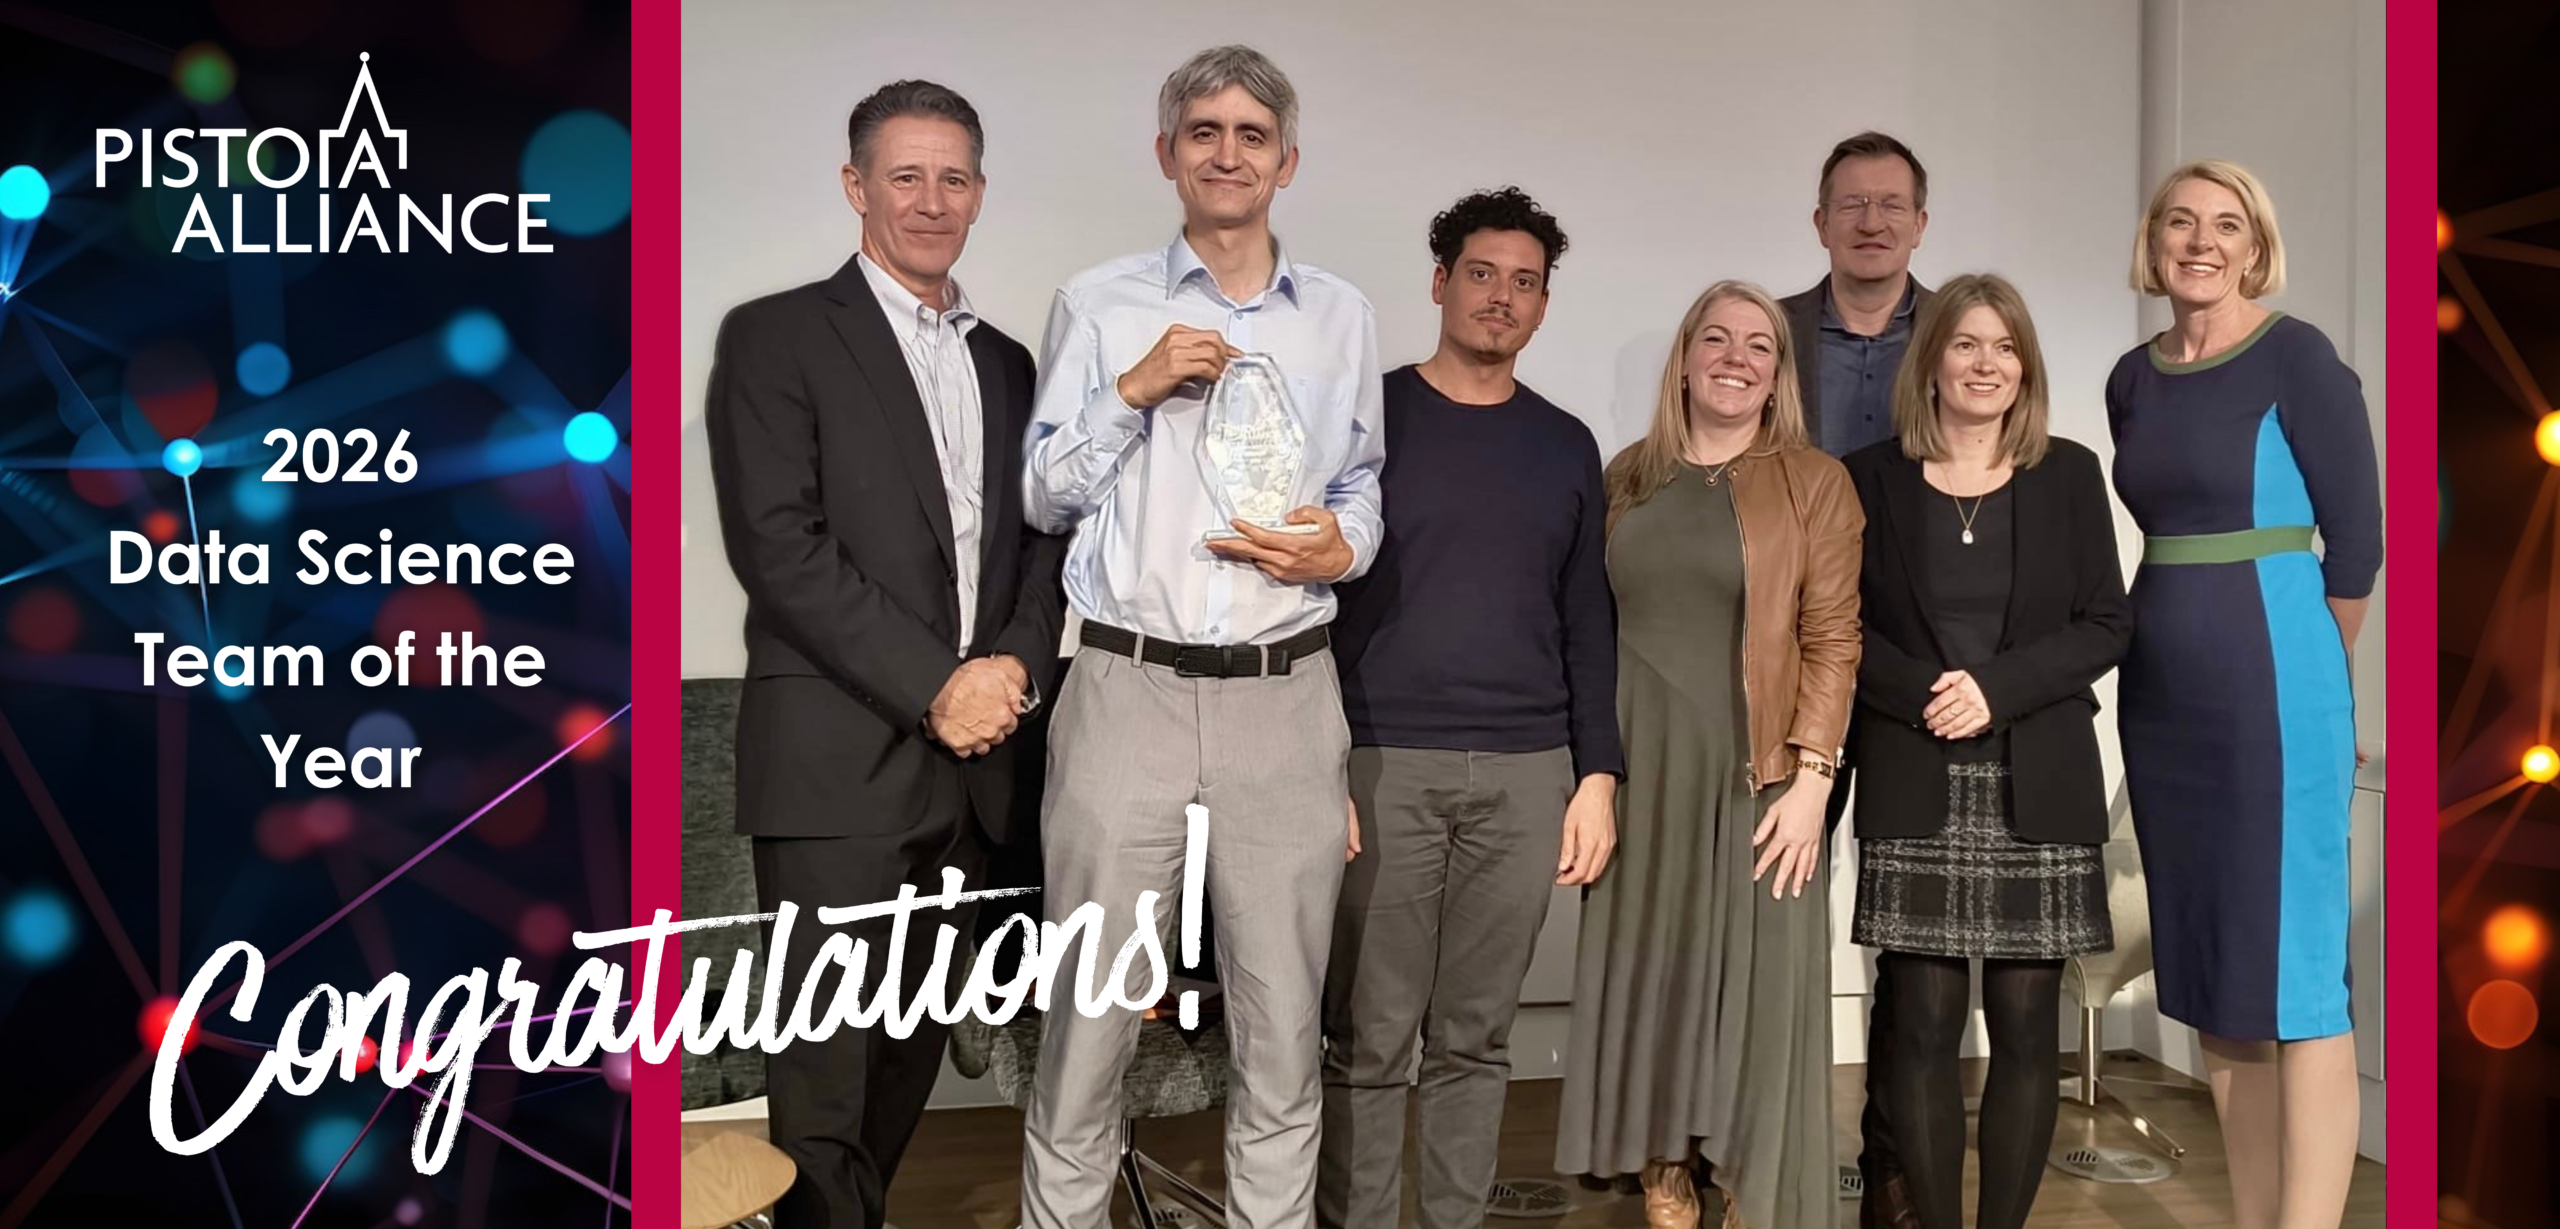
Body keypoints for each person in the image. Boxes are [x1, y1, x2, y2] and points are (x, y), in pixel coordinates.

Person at [1018, 44, 1384, 1229]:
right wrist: (1129, 391)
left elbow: (1365, 483)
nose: (1228, 152)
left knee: (1280, 1026)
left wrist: (1343, 547)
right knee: (1088, 1019)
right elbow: (1040, 494)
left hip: (1285, 694)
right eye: (1204, 130)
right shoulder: (1100, 301)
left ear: (1286, 159)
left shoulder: (1340, 315)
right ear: (1166, 151)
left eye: (1250, 133)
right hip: (1126, 685)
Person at [702, 80, 1065, 1229]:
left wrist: (1006, 669)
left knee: (910, 1050)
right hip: (838, 761)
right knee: (824, 1065)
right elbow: (779, 546)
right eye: (904, 175)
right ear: (856, 185)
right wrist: (934, 686)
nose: (930, 199)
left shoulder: (1011, 362)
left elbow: (1047, 543)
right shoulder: (772, 335)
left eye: (953, 176)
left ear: (980, 193)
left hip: (983, 765)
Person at [1319, 187, 1621, 1229]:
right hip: (1382, 763)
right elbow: (1309, 602)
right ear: (1440, 282)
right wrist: (1324, 764)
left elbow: (1589, 620)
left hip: (1529, 770)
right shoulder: (1369, 419)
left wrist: (1596, 775)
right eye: (1482, 274)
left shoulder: (1565, 445)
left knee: (1477, 1036)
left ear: (1542, 306)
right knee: (1368, 1036)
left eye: (1525, 282)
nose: (1502, 297)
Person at [1555, 280, 1862, 1229]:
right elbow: (1586, 628)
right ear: (1685, 358)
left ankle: (1753, 1189)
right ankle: (1663, 1167)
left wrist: (1813, 777)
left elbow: (1834, 635)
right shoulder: (1627, 476)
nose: (1735, 357)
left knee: (1761, 992)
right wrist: (1592, 773)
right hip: (1641, 770)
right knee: (1656, 968)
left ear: (1778, 374)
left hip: (1759, 773)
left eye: (1758, 345)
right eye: (1716, 339)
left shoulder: (1815, 481)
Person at [2107, 160, 2379, 1229]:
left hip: (2278, 695)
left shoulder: (2298, 357)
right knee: (2221, 973)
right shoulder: (2133, 376)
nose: (2201, 240)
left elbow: (2355, 542)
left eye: (2226, 224)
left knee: (2300, 976)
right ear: (2154, 241)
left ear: (2255, 245)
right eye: (2180, 221)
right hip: (2163, 703)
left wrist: (2309, 672)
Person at [1842, 274, 2128, 1229]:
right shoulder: (1867, 475)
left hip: (2035, 778)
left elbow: (2105, 624)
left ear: (2025, 367)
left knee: (2023, 1029)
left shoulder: (2071, 472)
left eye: (2004, 347)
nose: (1986, 363)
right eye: (1966, 344)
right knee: (1918, 1024)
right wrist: (1930, 695)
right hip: (1912, 767)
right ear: (1932, 363)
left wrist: (1993, 690)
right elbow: (1837, 622)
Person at [1777, 131, 1935, 1229]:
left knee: (1907, 928)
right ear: (1819, 220)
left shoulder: (1962, 336)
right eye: (1851, 203)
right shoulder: (1770, 335)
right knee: (1770, 900)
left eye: (1891, 204)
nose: (1871, 221)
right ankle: (1753, 1132)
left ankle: (1888, 1158)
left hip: (1922, 666)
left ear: (1920, 223)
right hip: (1787, 661)